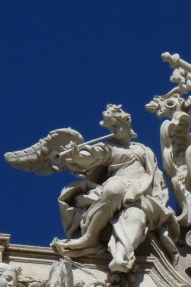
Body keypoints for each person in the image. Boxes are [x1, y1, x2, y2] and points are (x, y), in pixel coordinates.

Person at [54, 104, 175, 272]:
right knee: (113, 189)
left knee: (137, 217)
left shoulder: (142, 149)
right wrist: (76, 155)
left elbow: (155, 176)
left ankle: (120, 256)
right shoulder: (109, 147)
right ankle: (89, 237)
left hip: (139, 190)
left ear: (126, 123)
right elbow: (93, 156)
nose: (114, 130)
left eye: (117, 125)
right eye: (111, 128)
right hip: (119, 182)